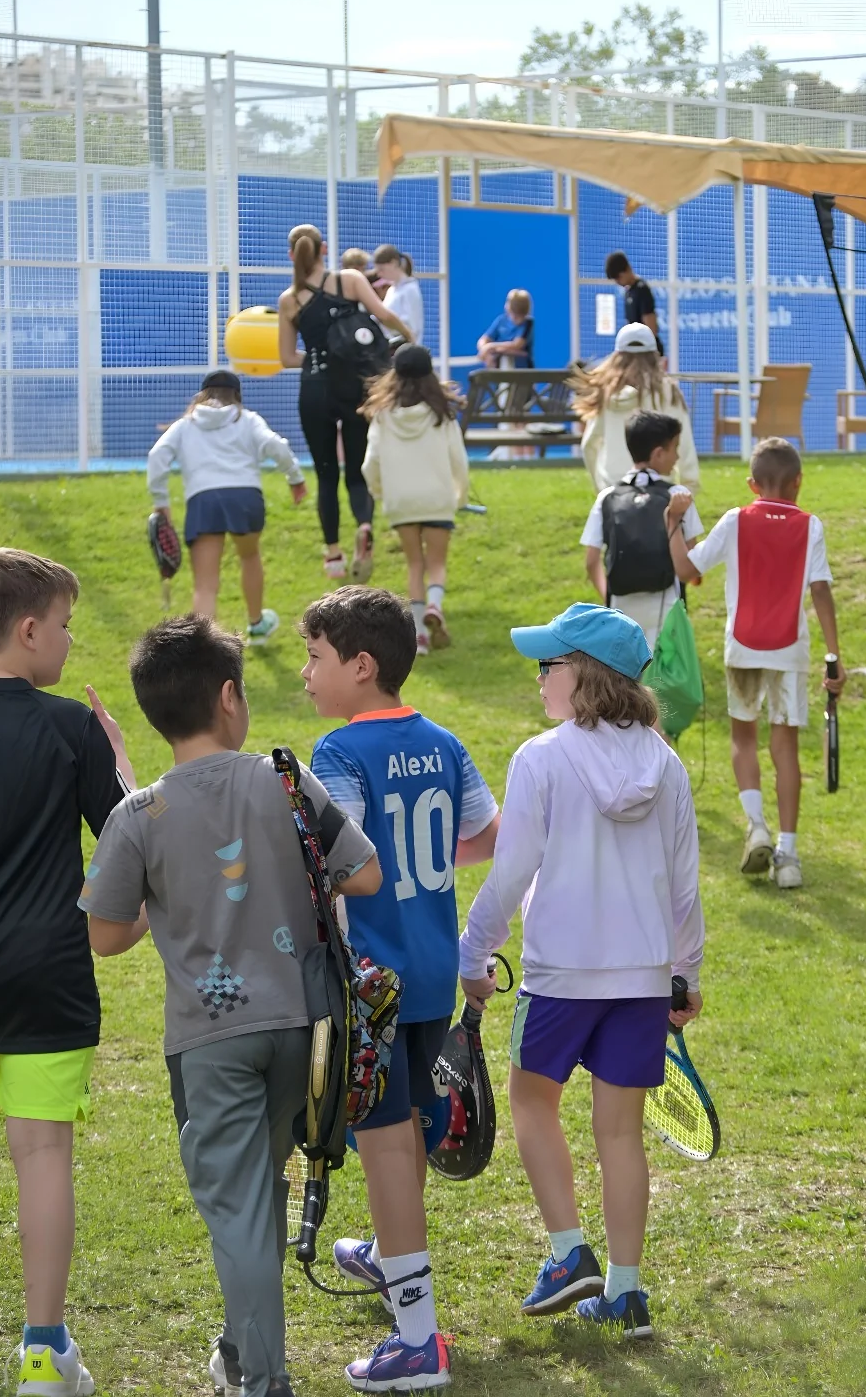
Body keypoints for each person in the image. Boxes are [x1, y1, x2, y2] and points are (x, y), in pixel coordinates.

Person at [79, 614, 382, 1397]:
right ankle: (238, 1351)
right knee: (261, 1192)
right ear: (228, 698)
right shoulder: (284, 779)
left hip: (209, 1042)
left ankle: (264, 1379)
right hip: (303, 1028)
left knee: (241, 1205)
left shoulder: (138, 816)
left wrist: (163, 899)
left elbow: (105, 935)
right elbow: (364, 873)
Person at [457, 602, 703, 1340]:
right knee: (620, 1135)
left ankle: (569, 1255)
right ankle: (625, 1292)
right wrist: (683, 974)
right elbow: (685, 885)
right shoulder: (667, 764)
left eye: (549, 665)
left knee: (532, 1102)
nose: (539, 678)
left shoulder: (542, 758)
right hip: (642, 978)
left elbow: (511, 872)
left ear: (586, 675)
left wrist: (473, 949)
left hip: (561, 975)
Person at [301, 587, 500, 1392]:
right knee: (407, 1126)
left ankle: (417, 1339)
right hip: (431, 969)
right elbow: (487, 833)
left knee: (385, 1143)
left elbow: (343, 863)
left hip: (371, 983)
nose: (306, 674)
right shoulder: (443, 740)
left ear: (361, 665)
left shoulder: (338, 753)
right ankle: (389, 1255)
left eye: (315, 657)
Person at [0, 549, 132, 1397]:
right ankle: (42, 1354)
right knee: (42, 1156)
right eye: (65, 625)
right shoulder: (72, 728)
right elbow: (132, 846)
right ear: (29, 631)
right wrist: (123, 765)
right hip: (47, 977)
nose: (69, 639)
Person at [667, 436, 843, 889]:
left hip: (743, 647)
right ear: (798, 481)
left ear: (752, 484)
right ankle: (789, 855)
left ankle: (756, 826)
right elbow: (821, 591)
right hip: (790, 650)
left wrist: (672, 524)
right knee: (785, 749)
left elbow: (687, 570)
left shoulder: (735, 520)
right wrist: (834, 655)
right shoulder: (811, 526)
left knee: (743, 739)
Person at [278, 224, 412, 584]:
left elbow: (287, 357)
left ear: (291, 255)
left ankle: (334, 554)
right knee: (357, 469)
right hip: (355, 387)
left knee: (326, 475)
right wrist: (410, 337)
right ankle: (364, 525)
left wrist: (317, 360)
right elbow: (384, 315)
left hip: (315, 390)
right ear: (323, 249)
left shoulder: (289, 299)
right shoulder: (349, 280)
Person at [147, 368, 306, 644]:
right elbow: (275, 445)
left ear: (202, 395)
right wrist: (295, 478)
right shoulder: (248, 419)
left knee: (205, 585)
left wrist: (161, 502)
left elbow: (157, 455)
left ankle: (204, 650)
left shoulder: (185, 425)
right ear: (237, 395)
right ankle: (257, 625)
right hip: (245, 497)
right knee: (249, 556)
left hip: (203, 500)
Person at [361, 344, 469, 655]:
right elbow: (459, 461)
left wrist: (381, 493)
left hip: (401, 502)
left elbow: (370, 464)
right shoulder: (442, 414)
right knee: (436, 562)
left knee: (414, 564)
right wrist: (460, 496)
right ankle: (435, 603)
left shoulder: (382, 416)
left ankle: (419, 633)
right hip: (437, 498)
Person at [580, 410, 703, 650]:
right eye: (675, 448)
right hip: (668, 606)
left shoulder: (607, 497)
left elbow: (591, 562)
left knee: (626, 672)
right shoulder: (678, 496)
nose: (677, 456)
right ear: (658, 454)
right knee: (666, 672)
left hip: (621, 608)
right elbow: (692, 564)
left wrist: (609, 599)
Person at [573, 325, 700, 494]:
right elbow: (684, 444)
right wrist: (688, 487)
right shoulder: (667, 392)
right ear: (655, 355)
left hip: (613, 489)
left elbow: (589, 445)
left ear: (616, 356)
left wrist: (600, 490)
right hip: (659, 488)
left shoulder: (606, 393)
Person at [604, 251, 663, 353]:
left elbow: (651, 327)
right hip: (634, 349)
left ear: (628, 269)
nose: (618, 282)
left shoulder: (642, 290)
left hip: (646, 351)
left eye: (619, 277)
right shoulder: (628, 292)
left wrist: (646, 351)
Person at [372, 244, 425, 345]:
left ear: (393, 263)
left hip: (404, 348)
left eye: (381, 269)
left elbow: (413, 327)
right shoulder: (392, 290)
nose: (379, 274)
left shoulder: (410, 289)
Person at [476, 289, 534, 370]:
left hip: (522, 371)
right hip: (499, 369)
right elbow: (484, 339)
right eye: (514, 315)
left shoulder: (528, 323)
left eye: (520, 316)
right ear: (507, 307)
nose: (517, 320)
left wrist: (491, 347)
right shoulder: (501, 320)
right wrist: (485, 350)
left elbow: (517, 345)